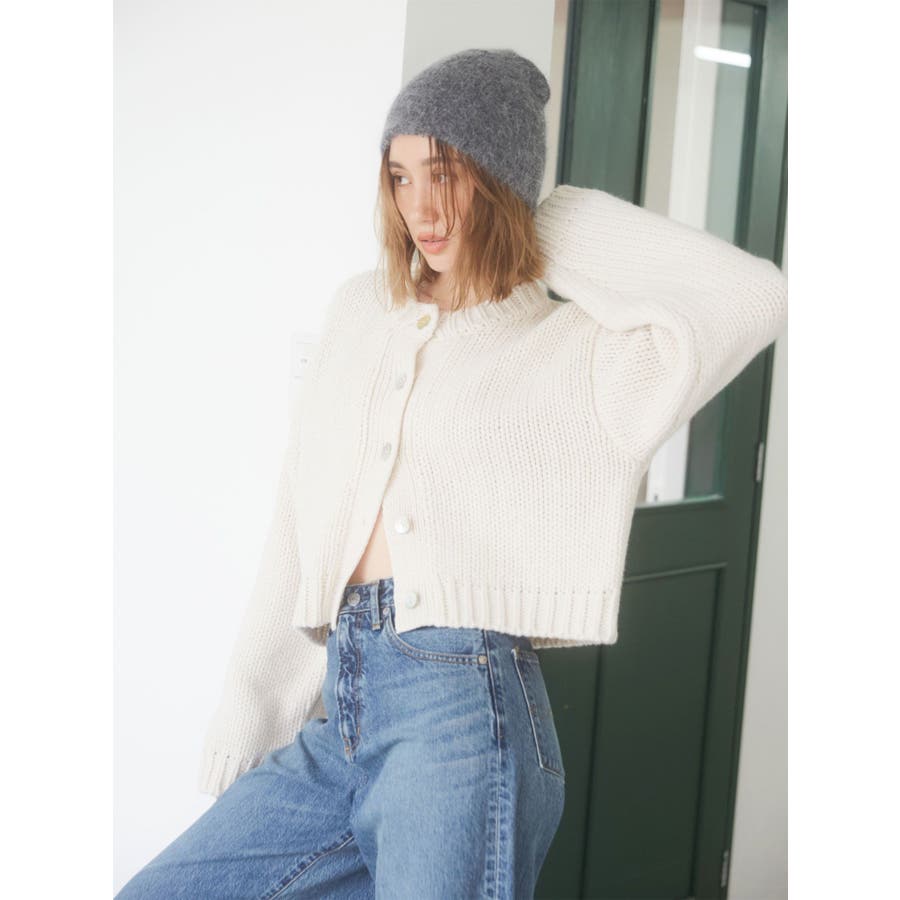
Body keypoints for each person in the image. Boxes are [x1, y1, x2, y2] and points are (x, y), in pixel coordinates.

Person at [116, 48, 787, 899]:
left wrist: (550, 217)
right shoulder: (360, 311)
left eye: (446, 174)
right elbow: (301, 517)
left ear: (499, 179)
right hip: (344, 709)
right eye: (400, 177)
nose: (420, 207)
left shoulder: (579, 356)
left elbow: (751, 297)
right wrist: (254, 701)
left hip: (462, 713)